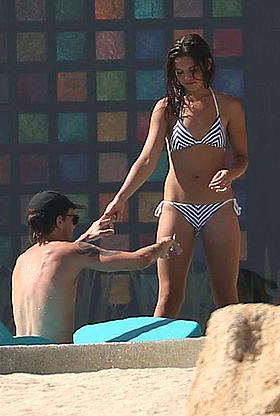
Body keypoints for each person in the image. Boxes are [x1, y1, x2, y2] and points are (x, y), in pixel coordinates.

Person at [104, 34, 248, 318]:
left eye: (192, 70)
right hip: (177, 207)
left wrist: (230, 173)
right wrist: (119, 199)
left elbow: (243, 157)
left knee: (226, 296)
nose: (186, 78)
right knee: (169, 296)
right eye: (179, 72)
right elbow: (146, 159)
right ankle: (157, 358)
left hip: (218, 206)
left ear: (207, 65)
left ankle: (237, 358)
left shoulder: (229, 106)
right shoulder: (167, 108)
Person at [11, 190, 181, 343]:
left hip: (22, 356)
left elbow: (56, 262)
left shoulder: (22, 261)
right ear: (60, 221)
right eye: (74, 218)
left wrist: (85, 237)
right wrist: (162, 246)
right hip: (55, 358)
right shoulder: (73, 252)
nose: (74, 225)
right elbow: (140, 259)